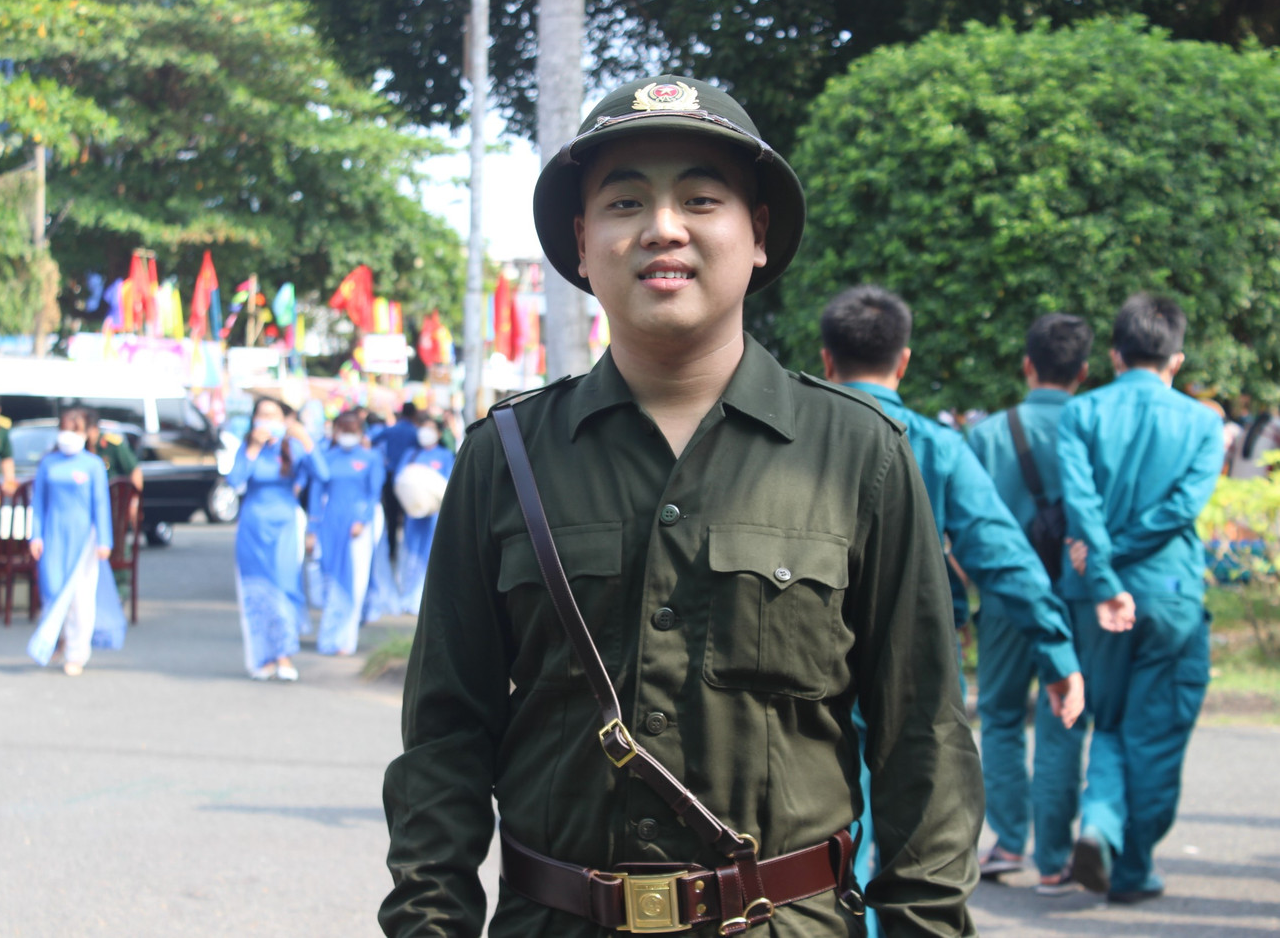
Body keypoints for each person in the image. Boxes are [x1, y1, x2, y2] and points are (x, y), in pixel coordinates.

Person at [381, 75, 983, 937]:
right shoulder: (505, 457)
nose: (663, 227)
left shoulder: (859, 454)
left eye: (701, 199)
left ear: (758, 234)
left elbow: (922, 736)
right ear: (582, 243)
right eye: (624, 202)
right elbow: (445, 734)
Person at [818, 287, 1083, 925]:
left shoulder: (797, 438)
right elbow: (1000, 553)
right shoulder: (933, 444)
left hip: (813, 666)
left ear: (826, 360)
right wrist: (1056, 650)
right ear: (904, 361)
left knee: (825, 835)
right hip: (916, 668)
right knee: (920, 840)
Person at [1057, 292, 1224, 903]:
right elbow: (1181, 508)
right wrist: (1121, 554)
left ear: (1115, 354)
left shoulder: (1080, 413)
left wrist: (1102, 569)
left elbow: (1081, 504)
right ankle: (1132, 867)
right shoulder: (1203, 423)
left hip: (1092, 595)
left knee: (1108, 723)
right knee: (1155, 732)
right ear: (1176, 360)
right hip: (1170, 594)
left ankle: (1100, 825)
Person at [966, 313, 1094, 894]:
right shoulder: (1093, 427)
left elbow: (966, 528)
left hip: (1005, 600)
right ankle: (1056, 857)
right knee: (1066, 716)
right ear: (1083, 371)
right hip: (1076, 596)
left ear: (1027, 365)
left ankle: (1009, 840)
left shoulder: (990, 434)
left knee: (999, 716)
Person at [225, 396, 328, 682]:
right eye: (262, 414)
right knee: (257, 590)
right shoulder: (248, 448)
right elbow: (234, 481)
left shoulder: (292, 447)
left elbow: (323, 474)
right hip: (252, 527)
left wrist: (306, 441)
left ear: (284, 421)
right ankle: (263, 657)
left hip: (285, 526)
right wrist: (253, 449)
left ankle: (285, 655)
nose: (267, 421)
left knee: (284, 586)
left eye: (273, 415)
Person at [25, 406, 125, 676]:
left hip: (84, 541)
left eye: (75, 430)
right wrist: (35, 535)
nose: (69, 435)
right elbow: (38, 502)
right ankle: (59, 640)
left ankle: (76, 653)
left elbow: (101, 504)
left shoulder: (93, 465)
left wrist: (105, 540)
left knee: (81, 599)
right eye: (65, 429)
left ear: (86, 433)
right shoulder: (48, 463)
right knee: (53, 590)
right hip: (53, 536)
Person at [306, 411, 385, 656]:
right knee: (330, 580)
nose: (347, 435)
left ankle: (346, 640)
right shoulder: (326, 458)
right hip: (330, 523)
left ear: (360, 433)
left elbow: (374, 494)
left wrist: (363, 520)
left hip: (357, 528)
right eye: (343, 430)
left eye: (352, 431)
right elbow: (316, 495)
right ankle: (328, 637)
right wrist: (312, 529)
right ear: (335, 432)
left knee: (355, 581)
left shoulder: (371, 458)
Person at [391, 413, 454, 615]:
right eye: (423, 428)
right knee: (410, 552)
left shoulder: (445, 455)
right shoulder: (411, 454)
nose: (425, 433)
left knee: (430, 553)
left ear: (438, 433)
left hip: (434, 514)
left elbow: (449, 484)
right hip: (413, 513)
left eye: (430, 429)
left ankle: (425, 598)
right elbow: (399, 479)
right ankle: (408, 595)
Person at [370, 401, 421, 563]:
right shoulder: (415, 432)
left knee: (391, 517)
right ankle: (407, 551)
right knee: (409, 514)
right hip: (409, 479)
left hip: (391, 476)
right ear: (414, 414)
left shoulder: (391, 429)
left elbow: (372, 441)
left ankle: (392, 551)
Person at [83, 408, 143, 490]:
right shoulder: (79, 448)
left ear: (95, 428)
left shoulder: (112, 444)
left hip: (112, 493)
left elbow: (134, 470)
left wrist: (134, 495)